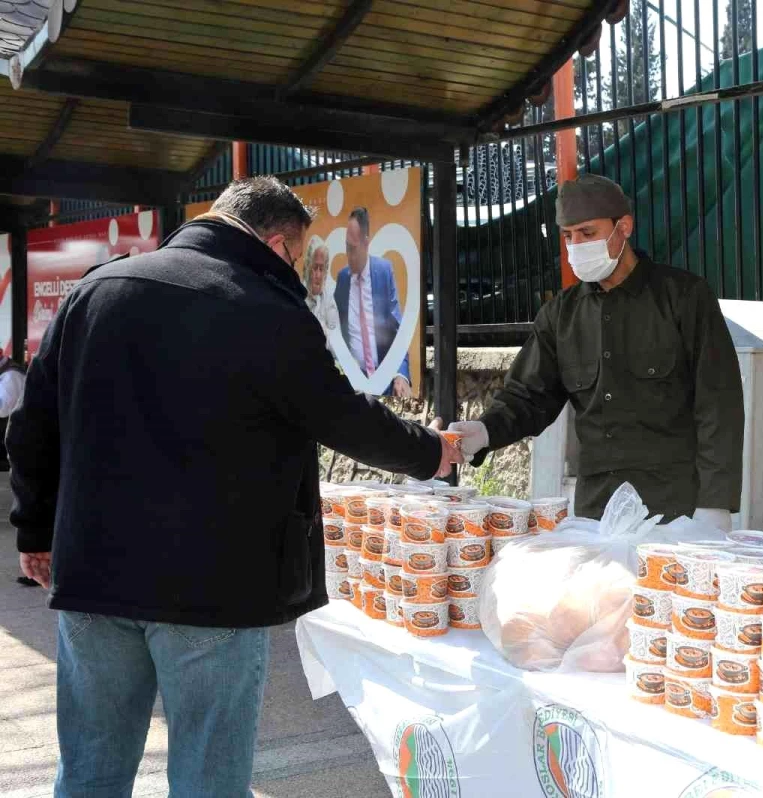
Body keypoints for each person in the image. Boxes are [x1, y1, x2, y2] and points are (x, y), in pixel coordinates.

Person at [10, 176, 463, 797]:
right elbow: (345, 418)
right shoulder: (269, 314)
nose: (298, 271)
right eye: (299, 258)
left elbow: (32, 427)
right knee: (207, 779)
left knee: (89, 772)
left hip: (92, 575)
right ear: (278, 244)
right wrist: (432, 451)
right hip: (213, 590)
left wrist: (34, 531)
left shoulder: (96, 290)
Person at [449, 174, 744, 527]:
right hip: (596, 511)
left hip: (674, 508)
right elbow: (527, 396)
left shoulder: (683, 298)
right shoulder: (561, 315)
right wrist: (484, 431)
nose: (576, 245)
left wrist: (715, 503)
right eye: (568, 236)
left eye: (587, 233)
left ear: (624, 227)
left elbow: (718, 404)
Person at [333, 206, 412, 398]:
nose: (349, 256)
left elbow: (397, 331)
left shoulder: (383, 272)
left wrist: (401, 374)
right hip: (352, 387)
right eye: (346, 247)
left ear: (366, 243)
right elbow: (335, 333)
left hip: (383, 383)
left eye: (353, 249)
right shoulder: (343, 279)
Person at [302, 235, 339, 334]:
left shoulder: (329, 299)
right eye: (315, 267)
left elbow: (333, 332)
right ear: (308, 267)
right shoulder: (299, 296)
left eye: (321, 269)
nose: (318, 275)